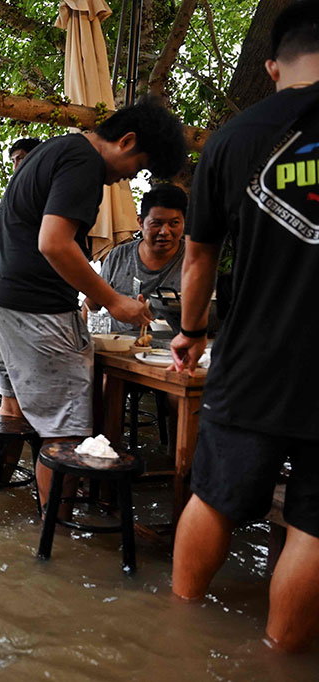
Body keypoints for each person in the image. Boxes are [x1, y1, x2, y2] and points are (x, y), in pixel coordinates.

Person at [170, 0, 319, 653]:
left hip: (252, 355)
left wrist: (191, 331)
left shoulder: (233, 140)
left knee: (216, 496)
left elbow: (199, 256)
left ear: (272, 65)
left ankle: (171, 637)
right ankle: (279, 658)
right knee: (314, 528)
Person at [0, 97, 185, 499]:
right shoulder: (84, 163)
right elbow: (54, 244)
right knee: (68, 434)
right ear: (126, 141)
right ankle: (54, 546)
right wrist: (114, 300)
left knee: (13, 410)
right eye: (138, 167)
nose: (128, 178)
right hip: (37, 308)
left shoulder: (56, 148)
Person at [90, 183, 187, 332]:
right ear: (141, 222)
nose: (165, 231)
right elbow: (91, 304)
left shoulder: (193, 259)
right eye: (157, 223)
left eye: (174, 223)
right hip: (119, 345)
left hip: (175, 347)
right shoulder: (118, 256)